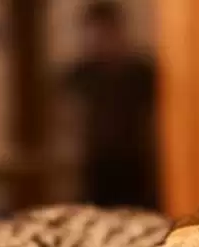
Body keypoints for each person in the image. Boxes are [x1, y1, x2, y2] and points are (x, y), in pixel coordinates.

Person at [64, 1, 159, 210]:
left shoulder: (141, 73)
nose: (100, 41)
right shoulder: (81, 75)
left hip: (136, 167)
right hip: (96, 168)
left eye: (106, 33)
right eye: (94, 34)